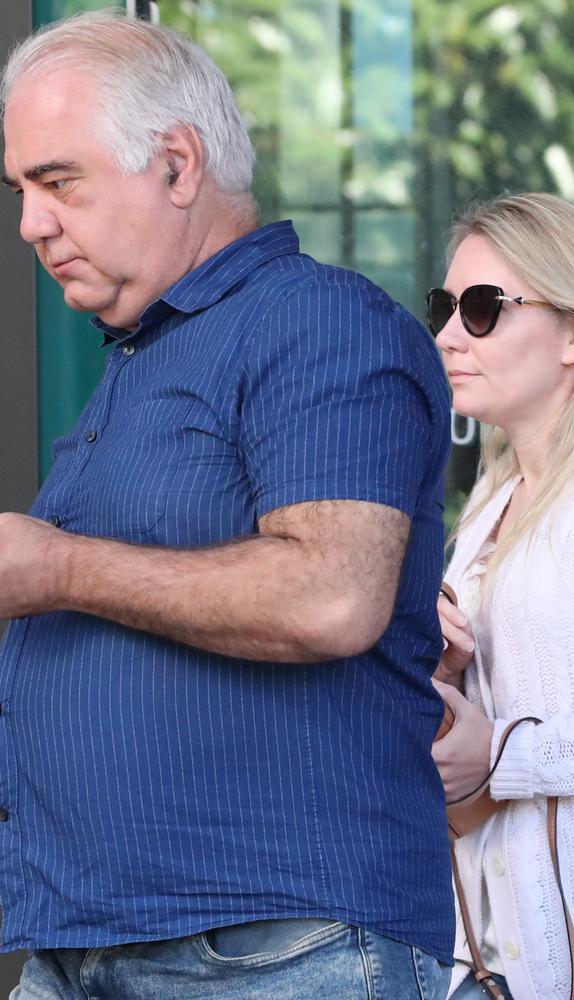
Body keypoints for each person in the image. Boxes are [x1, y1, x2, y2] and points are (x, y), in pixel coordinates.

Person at [0, 10, 455, 999]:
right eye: (22, 191)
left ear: (175, 164)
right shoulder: (143, 355)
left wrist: (59, 568)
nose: (32, 223)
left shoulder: (315, 320)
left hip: (275, 942)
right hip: (88, 941)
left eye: (58, 182)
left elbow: (331, 594)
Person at [428, 192, 574, 1000]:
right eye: (445, 306)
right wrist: (449, 673)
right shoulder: (492, 501)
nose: (450, 333)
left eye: (484, 308)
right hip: (497, 964)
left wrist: (506, 752)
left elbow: (507, 750)